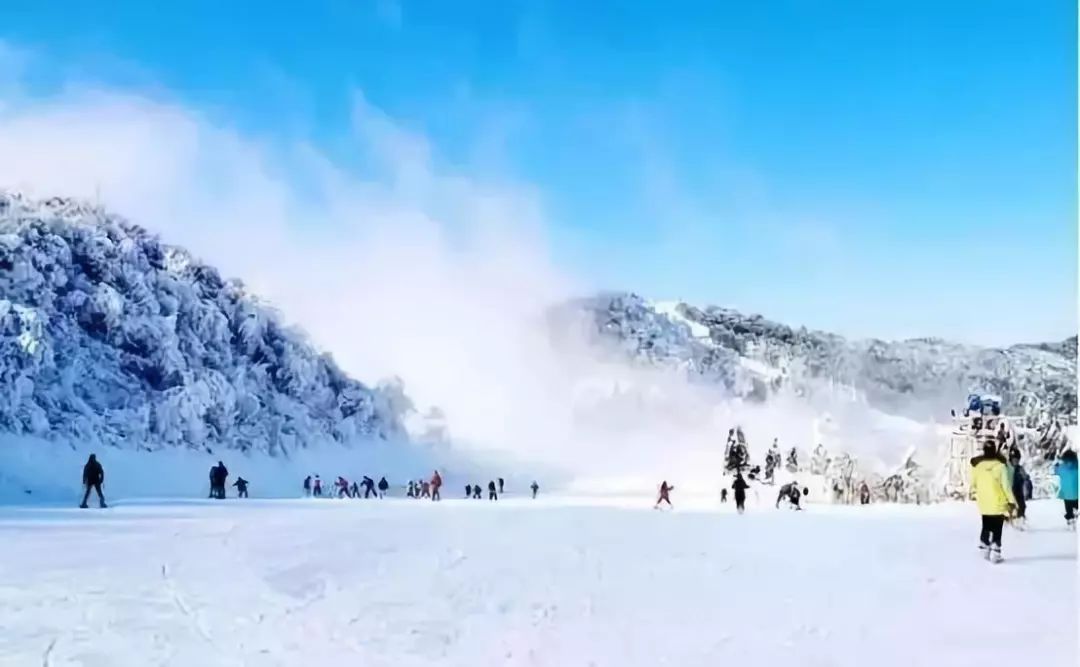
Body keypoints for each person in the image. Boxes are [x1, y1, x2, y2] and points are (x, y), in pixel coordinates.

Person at [971, 442, 1016, 562]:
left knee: (986, 524)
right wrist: (1011, 501)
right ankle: (995, 551)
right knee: (997, 527)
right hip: (998, 502)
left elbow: (973, 484)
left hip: (984, 502)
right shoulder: (1000, 466)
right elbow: (1006, 486)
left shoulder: (978, 467)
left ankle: (984, 546)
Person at [1054, 450, 1079, 530]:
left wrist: (1056, 466)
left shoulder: (1061, 467)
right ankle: (1076, 518)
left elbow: (1056, 472)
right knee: (1077, 507)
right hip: (1077, 493)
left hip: (1066, 494)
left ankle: (1070, 519)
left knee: (1069, 508)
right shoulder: (1077, 466)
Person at [1006, 451, 1029, 528]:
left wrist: (1025, 477)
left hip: (1018, 490)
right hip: (1009, 491)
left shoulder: (1020, 468)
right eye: (1014, 459)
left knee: (1021, 505)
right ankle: (1009, 521)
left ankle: (1020, 519)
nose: (1015, 461)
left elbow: (1025, 476)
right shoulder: (1007, 468)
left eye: (1017, 460)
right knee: (1010, 506)